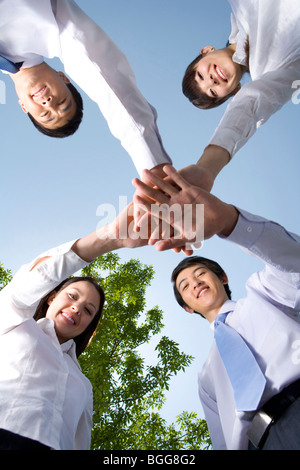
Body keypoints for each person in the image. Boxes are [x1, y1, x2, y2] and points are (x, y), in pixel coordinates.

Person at [132, 166, 300, 450]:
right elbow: (221, 440)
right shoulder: (207, 378)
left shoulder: (265, 294)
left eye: (200, 274)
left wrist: (228, 221)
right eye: (185, 287)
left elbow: (293, 263)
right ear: (187, 307)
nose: (195, 283)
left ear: (222, 277)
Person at [0, 203, 148, 450]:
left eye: (89, 310)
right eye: (72, 296)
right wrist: (108, 238)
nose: (77, 308)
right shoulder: (14, 323)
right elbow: (31, 279)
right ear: (50, 297)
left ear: (88, 326)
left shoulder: (83, 385)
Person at [135, 0, 300, 195]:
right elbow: (249, 107)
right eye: (213, 92)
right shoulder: (273, 73)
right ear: (235, 91)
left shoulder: (241, 7)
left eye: (201, 76)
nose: (211, 81)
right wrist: (206, 169)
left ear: (206, 50)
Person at [0, 0, 171, 175]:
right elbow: (106, 81)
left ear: (23, 106)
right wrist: (153, 168)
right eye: (62, 102)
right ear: (63, 77)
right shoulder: (52, 28)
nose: (49, 104)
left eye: (45, 114)